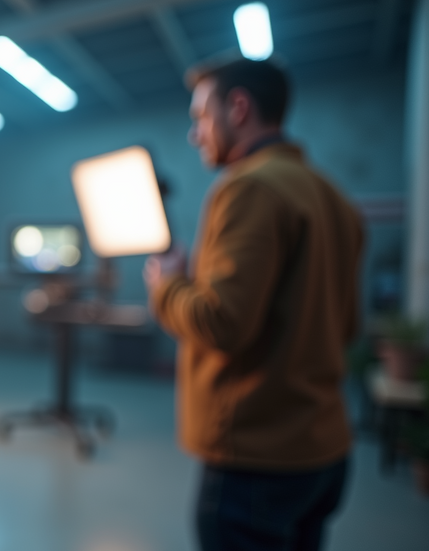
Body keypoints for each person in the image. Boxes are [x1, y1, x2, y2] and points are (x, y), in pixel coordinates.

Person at [143, 58, 364, 551]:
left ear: (238, 108)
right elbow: (345, 325)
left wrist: (168, 286)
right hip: (322, 450)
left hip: (257, 460)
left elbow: (222, 322)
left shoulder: (247, 188)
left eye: (201, 117)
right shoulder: (333, 198)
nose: (194, 134)